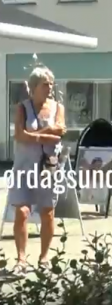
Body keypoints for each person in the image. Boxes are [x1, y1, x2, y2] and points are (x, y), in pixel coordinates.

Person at [10, 66, 66, 274]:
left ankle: (44, 258)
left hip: (48, 167)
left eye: (51, 83)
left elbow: (60, 132)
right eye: (45, 84)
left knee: (48, 213)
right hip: (24, 168)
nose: (50, 87)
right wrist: (47, 134)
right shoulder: (22, 108)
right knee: (22, 212)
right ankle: (21, 259)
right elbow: (19, 135)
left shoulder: (57, 107)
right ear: (34, 87)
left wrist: (34, 134)